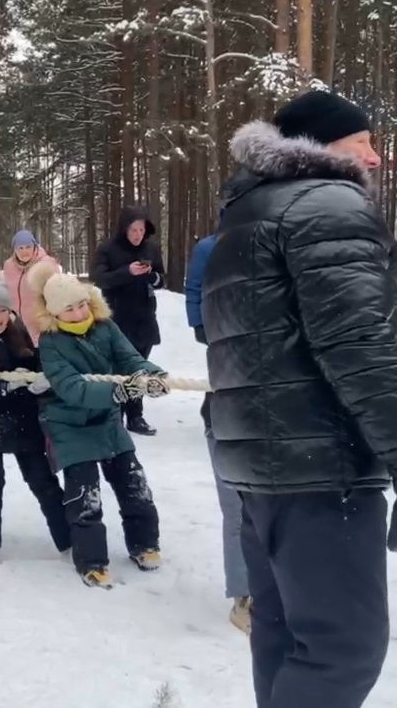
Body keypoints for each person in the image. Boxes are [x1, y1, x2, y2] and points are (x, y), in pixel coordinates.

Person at [202, 90, 397, 708]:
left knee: (283, 634)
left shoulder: (246, 213)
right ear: (319, 146)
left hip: (260, 467)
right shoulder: (327, 203)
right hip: (319, 465)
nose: (376, 157)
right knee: (344, 649)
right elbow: (359, 347)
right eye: (363, 141)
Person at [27, 260, 167, 588]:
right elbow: (71, 387)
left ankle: (144, 543)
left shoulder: (105, 326)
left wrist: (150, 374)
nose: (78, 313)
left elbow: (129, 358)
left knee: (134, 484)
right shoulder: (51, 342)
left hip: (106, 418)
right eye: (69, 309)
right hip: (68, 423)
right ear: (54, 313)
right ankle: (91, 561)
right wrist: (117, 392)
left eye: (81, 304)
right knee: (85, 496)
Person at [0, 266, 70, 562]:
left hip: (20, 412)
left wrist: (39, 382)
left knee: (41, 478)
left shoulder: (17, 330)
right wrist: (2, 386)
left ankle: (67, 540)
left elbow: (33, 364)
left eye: (3, 310)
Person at [184, 227, 251, 634]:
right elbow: (196, 289)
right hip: (229, 414)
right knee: (239, 510)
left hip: (288, 420)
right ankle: (245, 595)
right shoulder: (214, 251)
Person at [89, 206, 165, 436]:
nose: (137, 235)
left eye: (141, 230)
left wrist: (152, 276)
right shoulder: (107, 249)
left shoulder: (151, 248)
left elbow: (162, 279)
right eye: (133, 230)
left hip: (144, 318)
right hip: (117, 318)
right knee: (117, 369)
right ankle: (114, 416)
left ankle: (135, 416)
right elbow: (99, 279)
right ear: (124, 229)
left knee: (139, 368)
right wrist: (127, 272)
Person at [1, 229, 61, 346]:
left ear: (34, 246)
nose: (24, 251)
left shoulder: (46, 265)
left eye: (28, 247)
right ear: (14, 250)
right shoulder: (9, 266)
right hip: (16, 329)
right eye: (20, 248)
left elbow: (57, 296)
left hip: (42, 329)